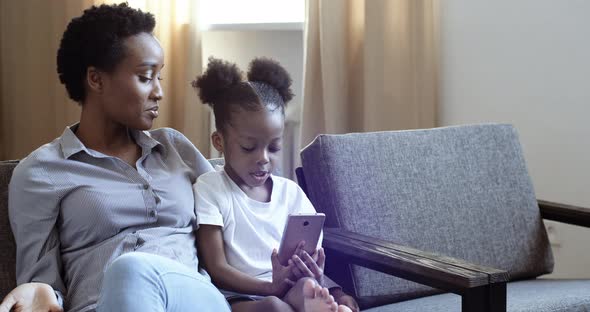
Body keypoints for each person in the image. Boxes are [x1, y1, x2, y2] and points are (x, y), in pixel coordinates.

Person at [0, 4, 229, 312]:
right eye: (146, 77)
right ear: (96, 80)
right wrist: (42, 293)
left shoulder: (175, 148)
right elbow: (42, 286)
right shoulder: (40, 173)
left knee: (129, 269)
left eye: (160, 77)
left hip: (192, 299)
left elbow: (232, 217)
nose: (158, 92)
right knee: (127, 271)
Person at [192, 57, 360, 312]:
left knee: (305, 288)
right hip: (238, 297)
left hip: (288, 288)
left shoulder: (290, 193)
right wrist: (269, 288)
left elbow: (309, 260)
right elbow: (216, 268)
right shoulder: (210, 188)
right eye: (249, 147)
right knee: (274, 307)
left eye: (274, 147)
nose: (263, 159)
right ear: (219, 141)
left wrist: (331, 287)